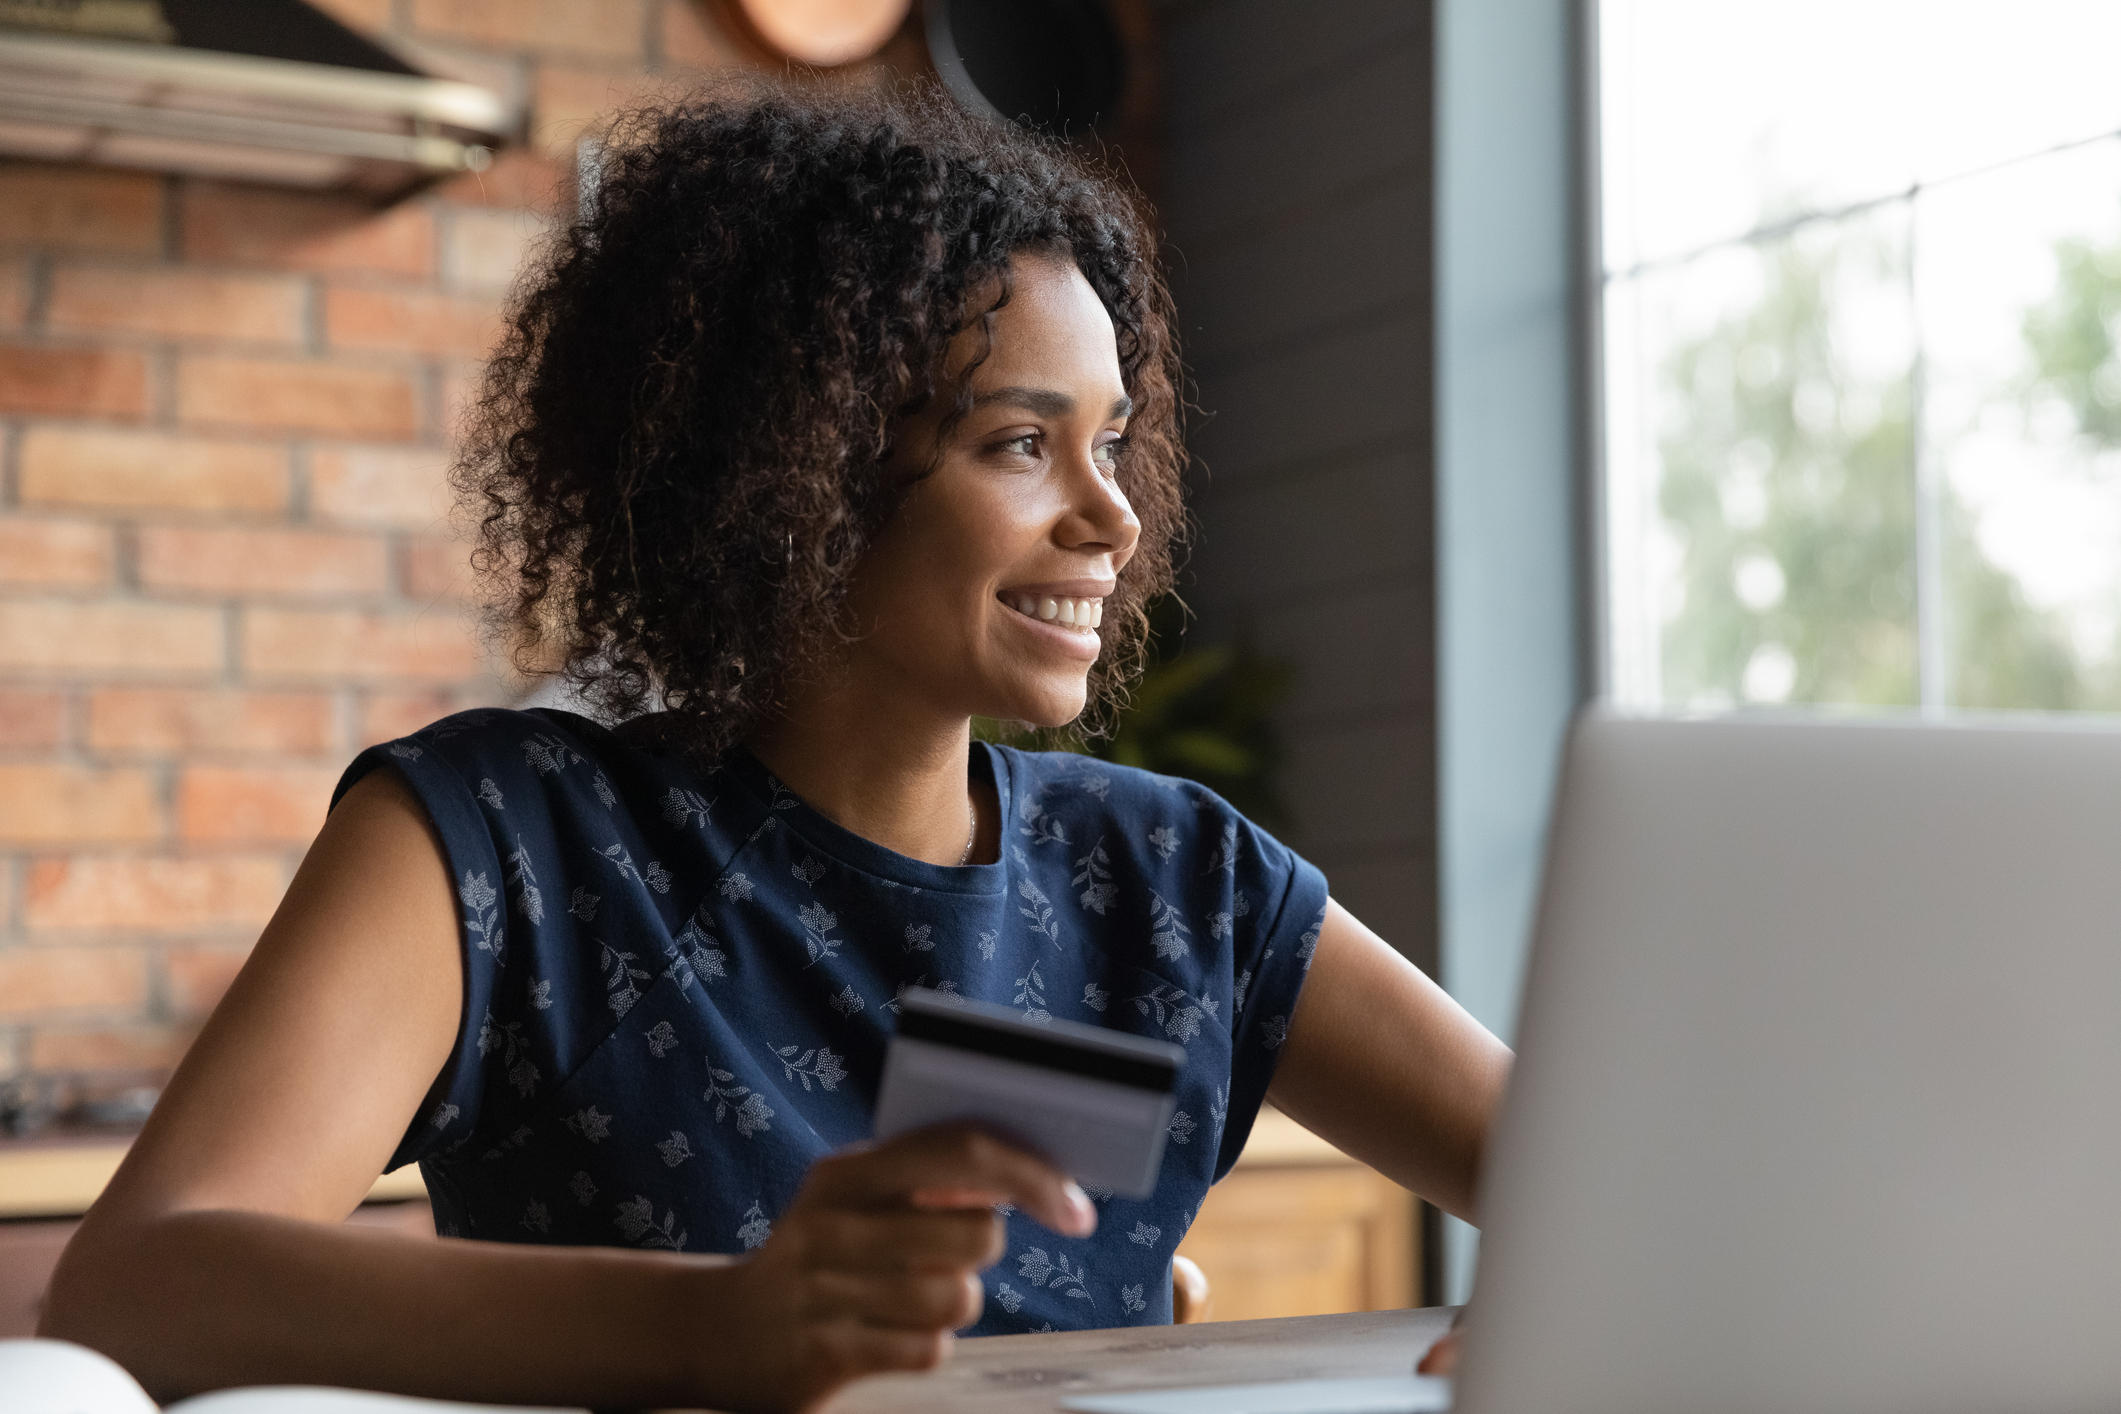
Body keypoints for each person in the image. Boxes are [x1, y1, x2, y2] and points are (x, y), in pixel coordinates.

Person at [41, 79, 1511, 1414]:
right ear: (794, 466)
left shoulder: (1179, 879)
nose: (1111, 518)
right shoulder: (506, 838)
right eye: (1019, 443)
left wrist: (1561, 1305)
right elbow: (137, 1285)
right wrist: (727, 1330)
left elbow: (1587, 1178)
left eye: (1111, 442)